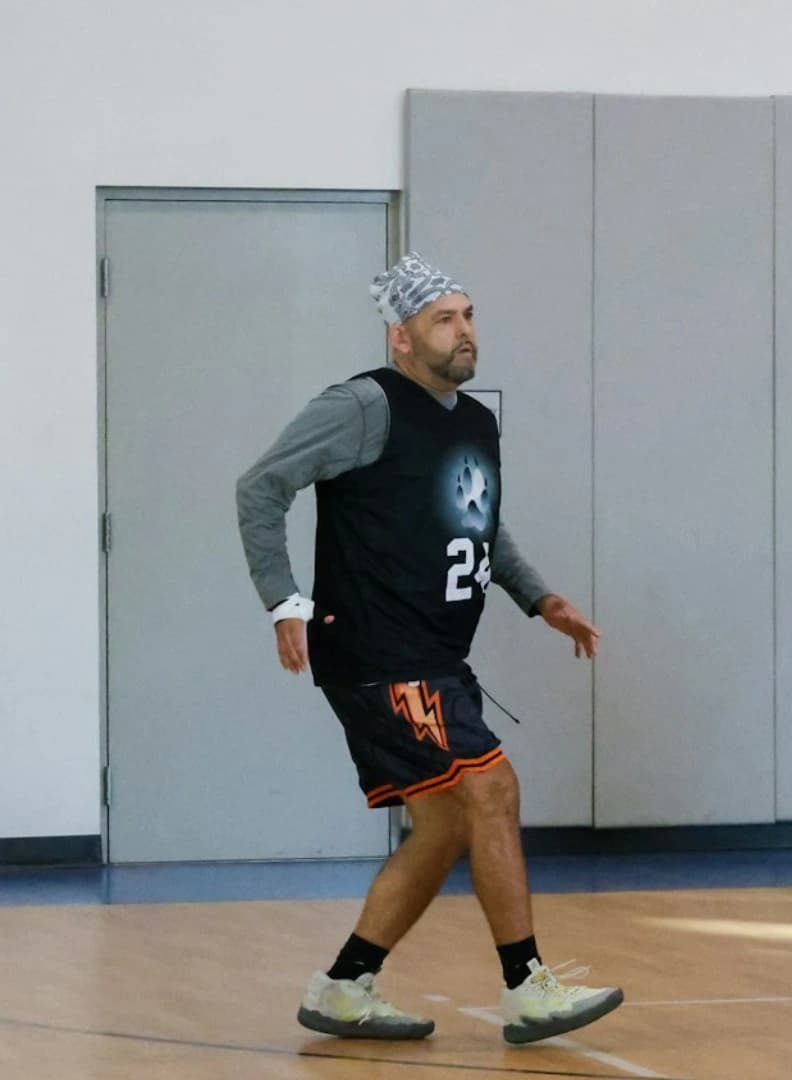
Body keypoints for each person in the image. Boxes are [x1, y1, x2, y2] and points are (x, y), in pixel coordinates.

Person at [236, 254, 622, 1045]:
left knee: (444, 825)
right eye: (444, 319)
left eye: (469, 314)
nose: (464, 330)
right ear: (402, 337)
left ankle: (344, 986)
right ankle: (528, 986)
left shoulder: (474, 420)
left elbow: (478, 521)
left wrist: (539, 598)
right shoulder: (363, 406)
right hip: (381, 655)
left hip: (436, 657)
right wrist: (284, 601)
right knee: (493, 790)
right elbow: (261, 486)